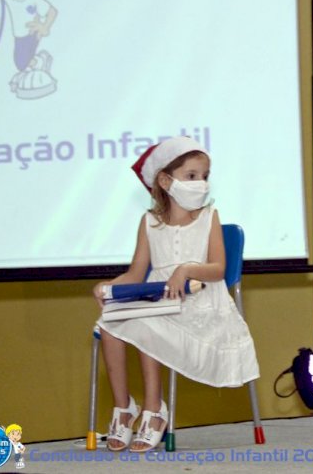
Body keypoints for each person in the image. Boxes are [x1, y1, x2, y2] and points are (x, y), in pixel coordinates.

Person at [92, 136, 260, 453]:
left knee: (150, 324)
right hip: (158, 296)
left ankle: (154, 411)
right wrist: (108, 287)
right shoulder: (150, 221)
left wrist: (186, 269)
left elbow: (218, 269)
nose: (201, 183)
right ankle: (124, 408)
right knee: (108, 325)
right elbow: (135, 272)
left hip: (199, 298)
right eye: (192, 176)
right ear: (166, 180)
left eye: (204, 176)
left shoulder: (210, 217)